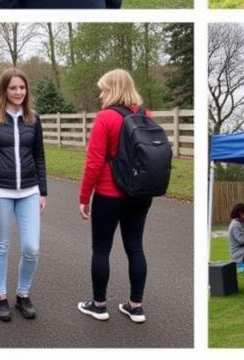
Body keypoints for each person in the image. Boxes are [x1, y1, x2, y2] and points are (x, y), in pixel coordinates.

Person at [77, 69, 155, 324]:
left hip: (110, 193)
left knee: (101, 249)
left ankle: (99, 305)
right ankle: (136, 306)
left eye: (103, 89)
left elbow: (94, 162)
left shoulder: (105, 118)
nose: (100, 95)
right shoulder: (146, 116)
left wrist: (84, 196)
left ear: (113, 90)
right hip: (140, 193)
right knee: (135, 248)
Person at [0, 69, 47, 323]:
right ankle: (1, 297)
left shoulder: (33, 119)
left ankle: (23, 294)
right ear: (4, 89)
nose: (18, 92)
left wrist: (43, 191)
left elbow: (39, 155)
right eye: (13, 88)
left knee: (31, 248)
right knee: (1, 246)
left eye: (22, 88)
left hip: (29, 191)